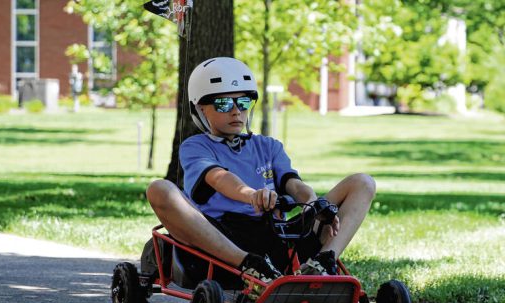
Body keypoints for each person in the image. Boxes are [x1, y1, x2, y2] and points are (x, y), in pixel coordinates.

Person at [146, 57, 375, 290]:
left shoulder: (269, 146)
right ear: (201, 108)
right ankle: (250, 265)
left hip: (277, 238)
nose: (236, 111)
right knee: (159, 189)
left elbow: (294, 184)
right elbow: (219, 178)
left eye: (244, 103)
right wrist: (251, 195)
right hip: (223, 243)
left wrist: (314, 203)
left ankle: (323, 263)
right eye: (224, 104)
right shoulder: (196, 147)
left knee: (362, 183)